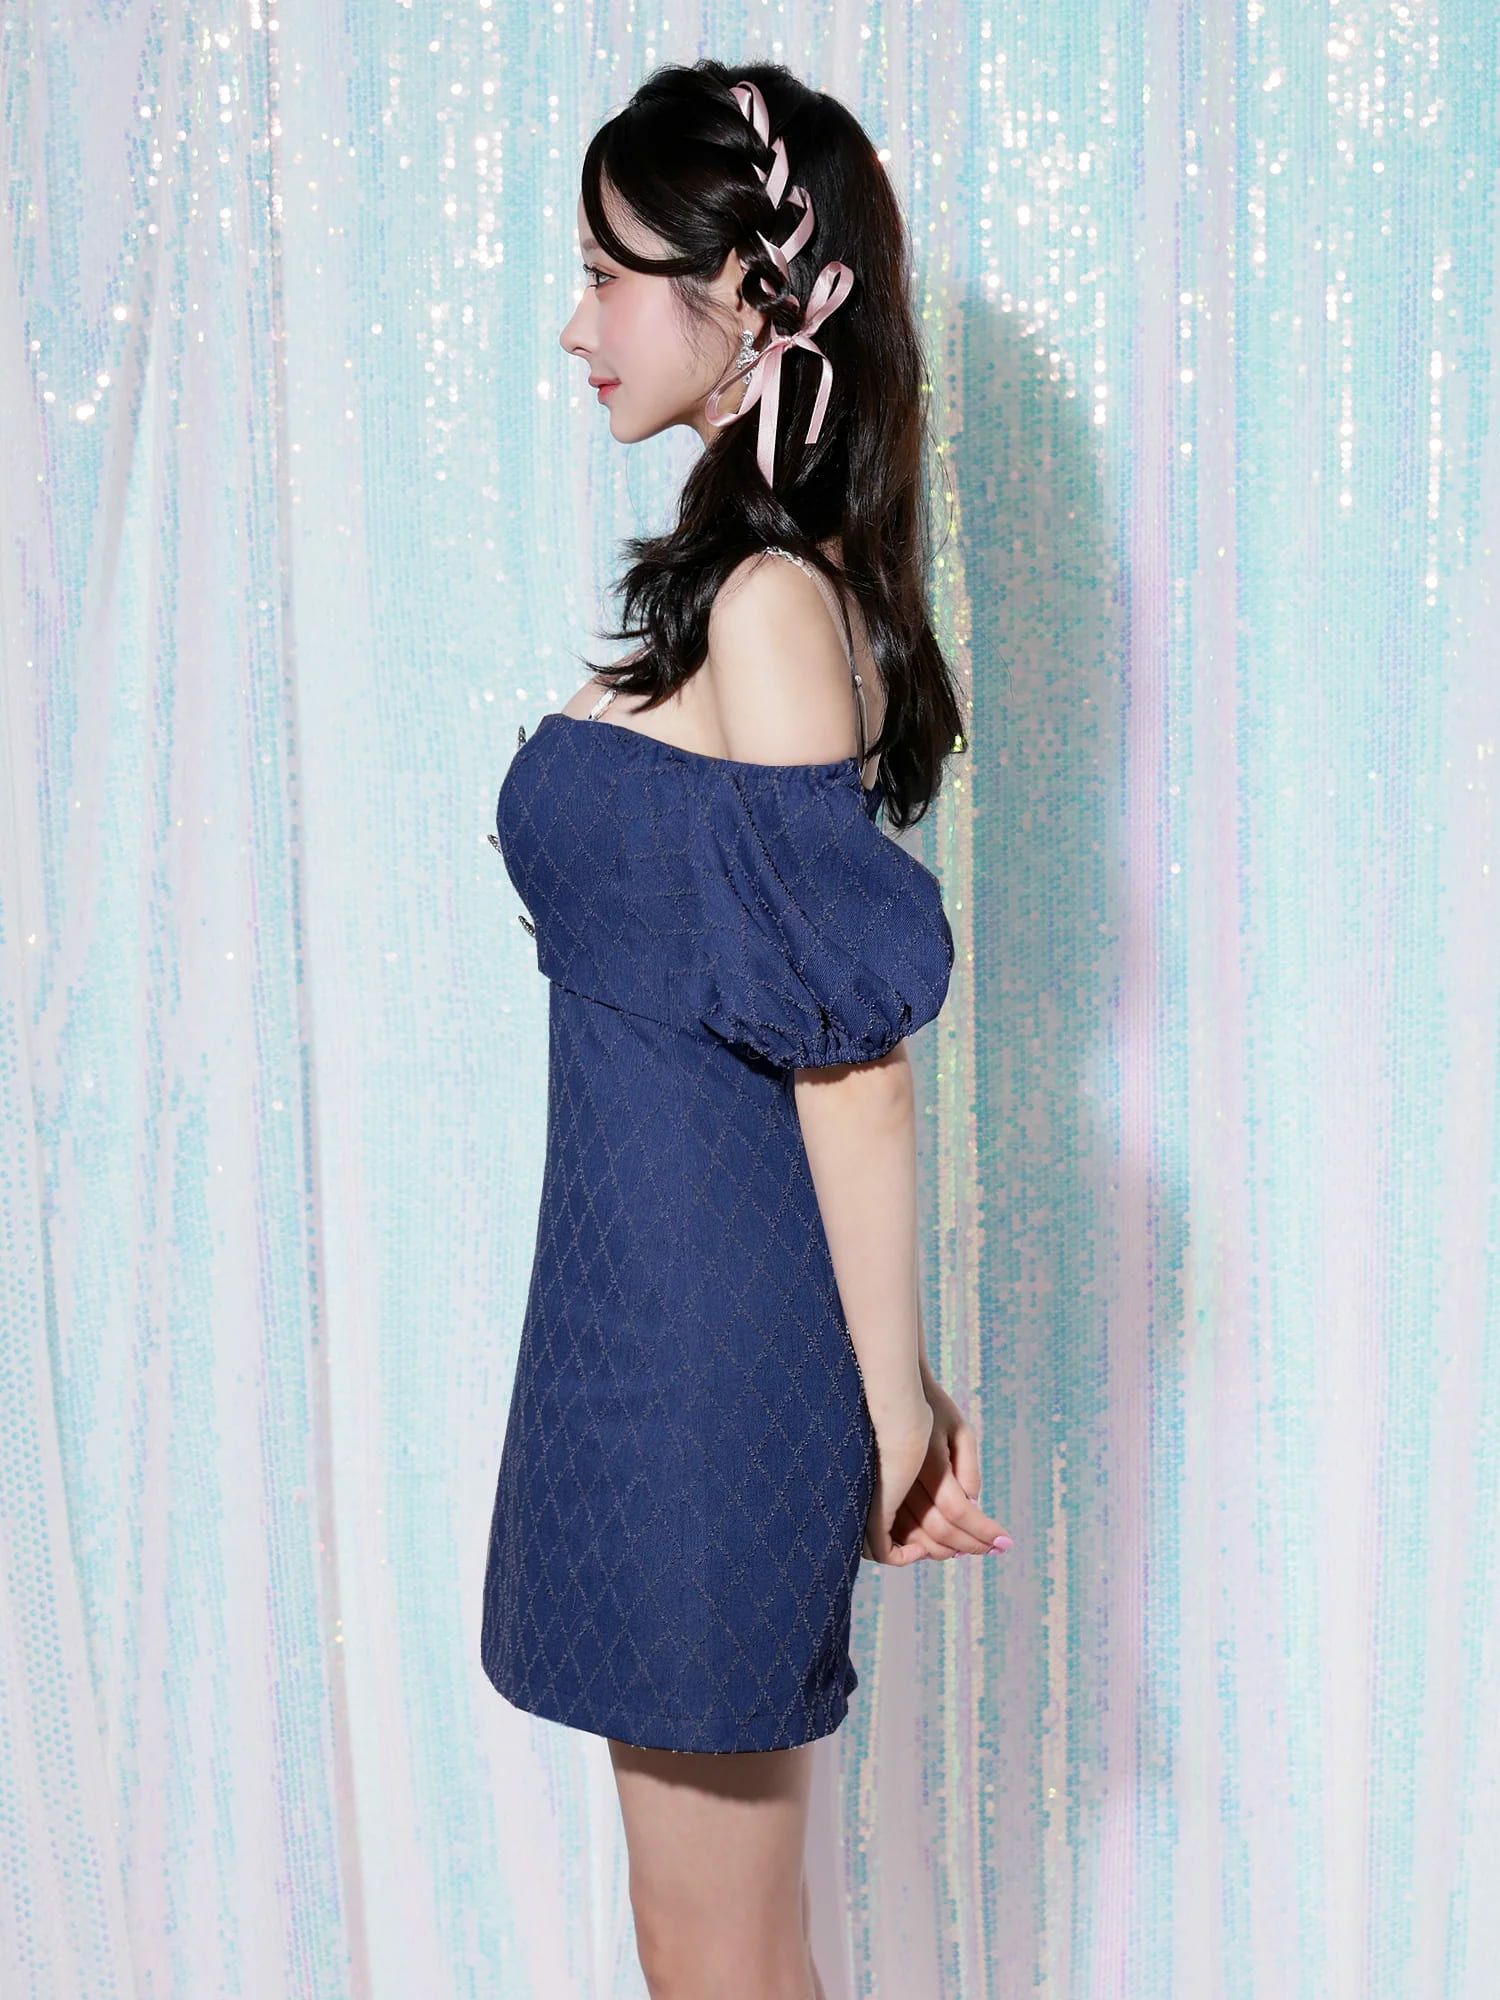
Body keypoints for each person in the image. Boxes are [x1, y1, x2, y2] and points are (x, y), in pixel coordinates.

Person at [481, 59, 1013, 2000]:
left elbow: (848, 1064)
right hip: (640, 1331)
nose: (578, 324)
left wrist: (893, 1405)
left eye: (609, 274)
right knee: (715, 1944)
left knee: (714, 1954)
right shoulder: (742, 591)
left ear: (751, 296)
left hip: (711, 1366)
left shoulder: (775, 606)